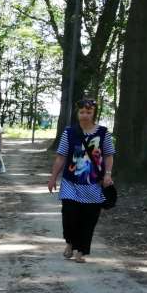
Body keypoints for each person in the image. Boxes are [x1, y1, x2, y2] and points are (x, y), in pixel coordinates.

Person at [47, 99, 115, 263]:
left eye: (88, 112)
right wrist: (53, 177)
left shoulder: (103, 133)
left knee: (89, 218)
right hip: (71, 182)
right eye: (82, 112)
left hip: (93, 184)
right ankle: (70, 243)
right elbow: (61, 156)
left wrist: (108, 174)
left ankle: (81, 251)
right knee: (69, 215)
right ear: (77, 113)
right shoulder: (69, 132)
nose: (85, 115)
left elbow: (108, 155)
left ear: (94, 114)